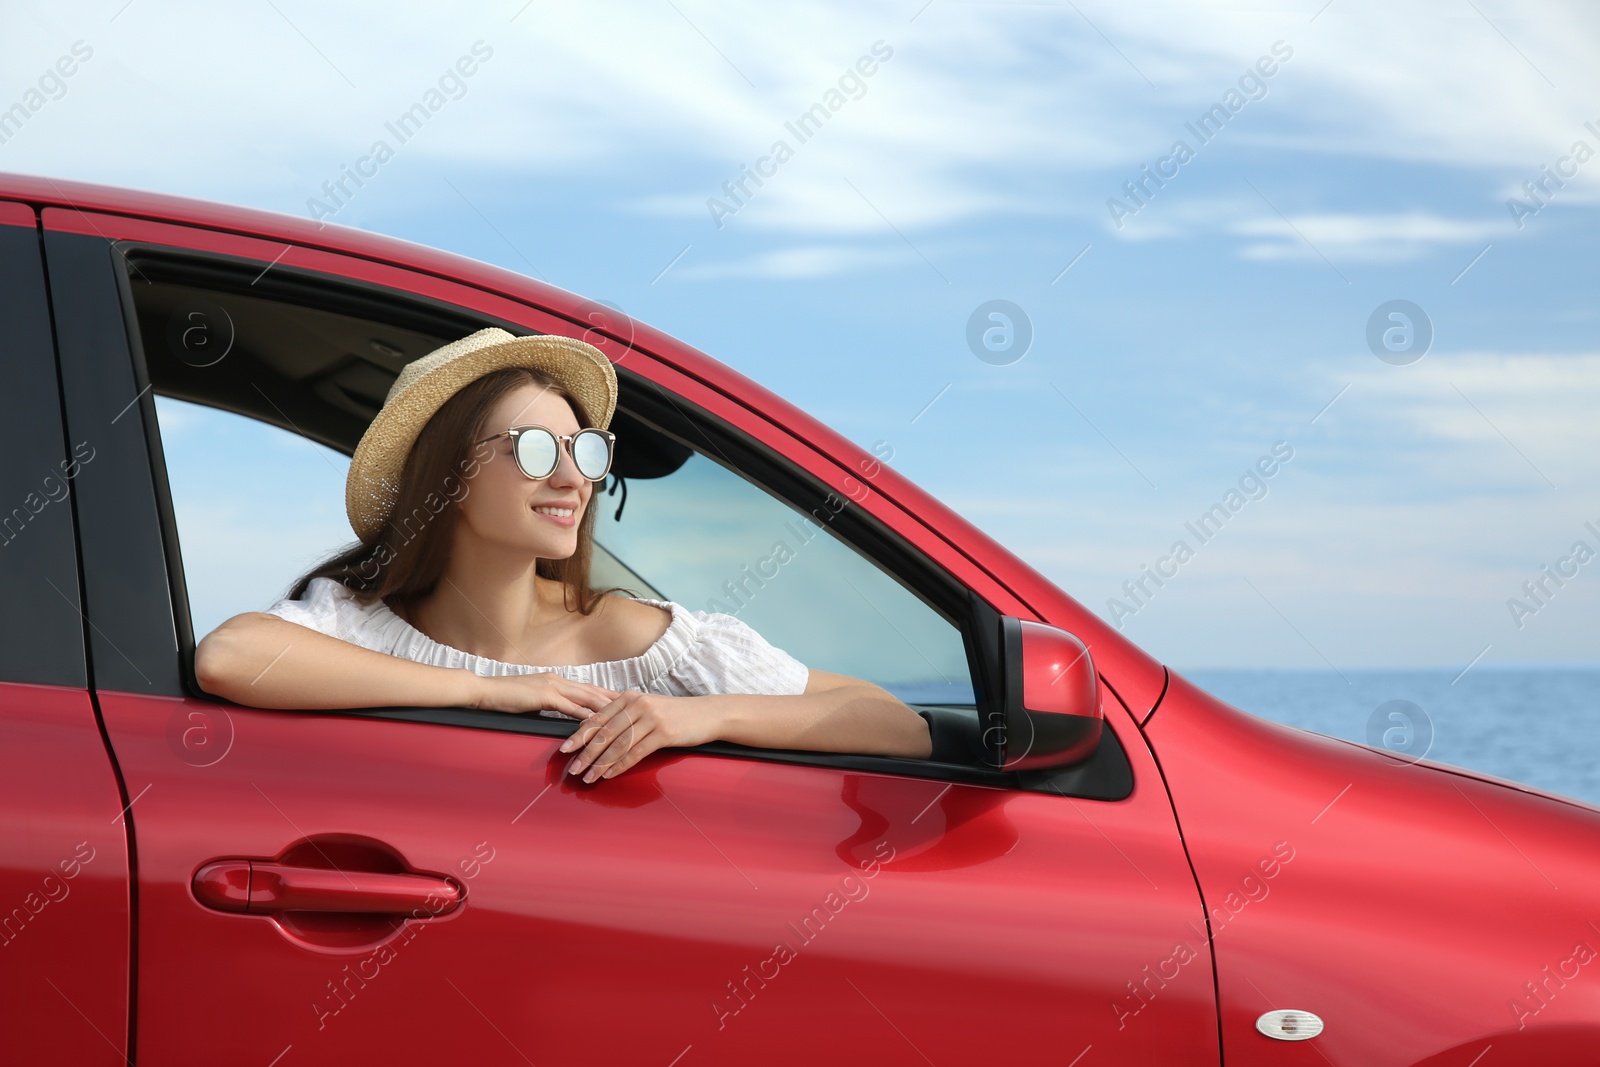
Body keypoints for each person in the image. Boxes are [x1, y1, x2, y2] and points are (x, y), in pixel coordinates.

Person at [195, 327, 932, 781]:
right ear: (448, 477)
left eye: (584, 448)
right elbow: (228, 657)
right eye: (537, 448)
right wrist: (491, 691)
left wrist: (703, 717)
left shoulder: (644, 643)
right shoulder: (362, 625)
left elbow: (896, 726)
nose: (572, 475)